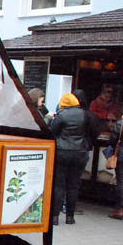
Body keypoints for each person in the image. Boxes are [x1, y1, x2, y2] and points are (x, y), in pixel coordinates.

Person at [50, 92, 98, 225]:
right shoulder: (85, 114)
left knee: (59, 185)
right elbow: (94, 132)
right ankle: (70, 217)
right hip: (80, 153)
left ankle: (54, 217)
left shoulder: (62, 115)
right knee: (73, 185)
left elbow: (53, 132)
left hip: (62, 152)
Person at [107, 99, 123, 219]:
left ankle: (120, 210)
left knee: (121, 182)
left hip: (122, 156)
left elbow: (113, 140)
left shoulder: (121, 122)